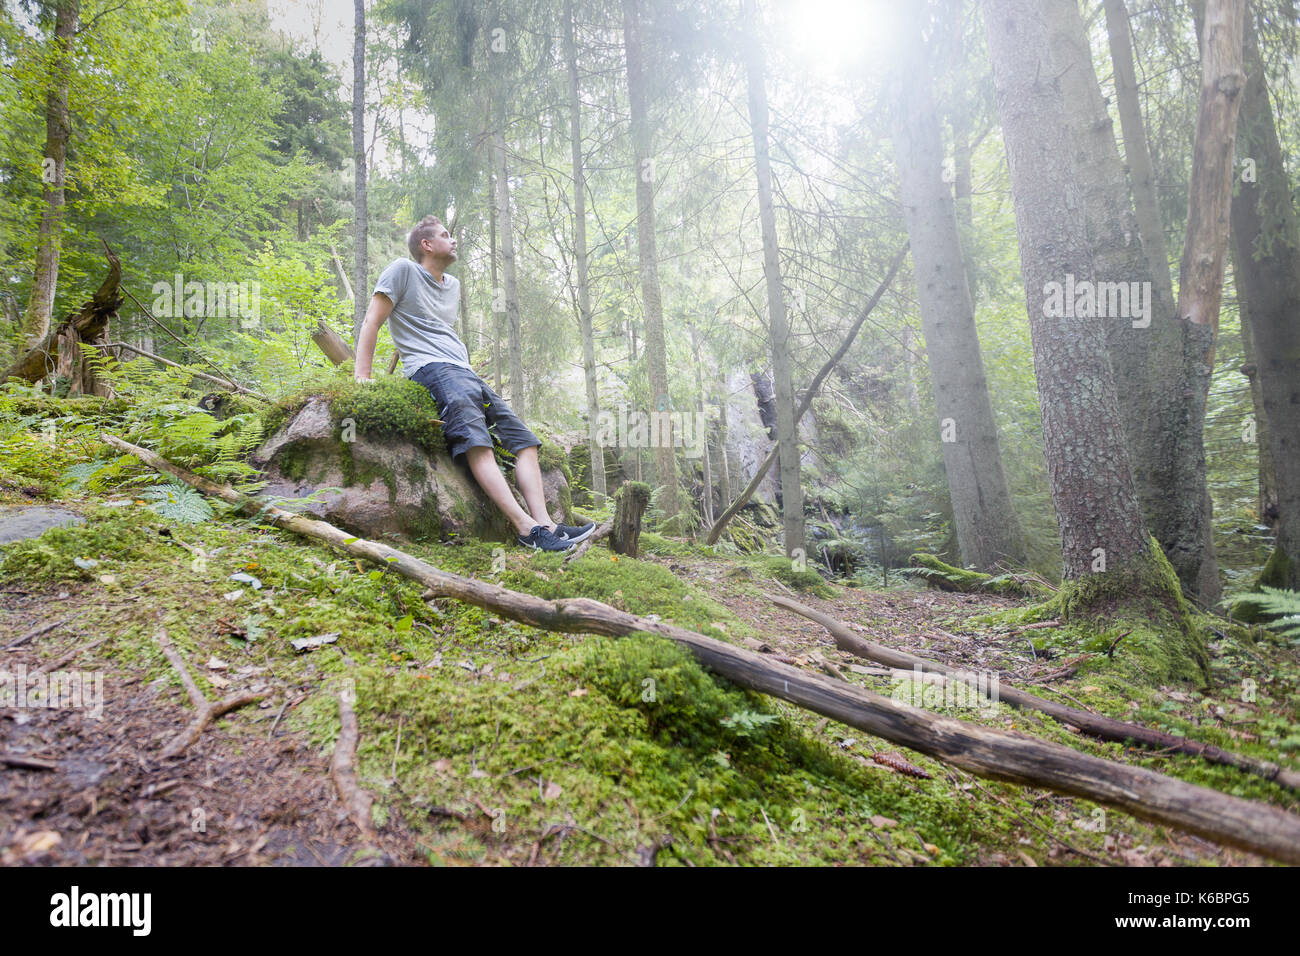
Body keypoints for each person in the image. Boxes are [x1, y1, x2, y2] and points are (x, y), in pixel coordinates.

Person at [353, 214, 593, 552]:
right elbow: (372, 321)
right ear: (426, 244)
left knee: (525, 442)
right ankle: (527, 530)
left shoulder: (452, 286)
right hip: (432, 368)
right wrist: (362, 378)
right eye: (445, 235)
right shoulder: (402, 270)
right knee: (475, 439)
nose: (453, 242)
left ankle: (547, 525)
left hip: (464, 370)